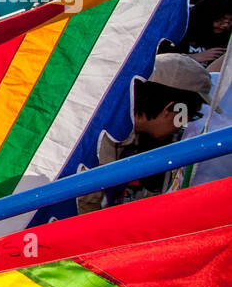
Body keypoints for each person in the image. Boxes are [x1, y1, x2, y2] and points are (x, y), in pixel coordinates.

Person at [77, 53, 212, 214]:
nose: (185, 125)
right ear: (171, 108)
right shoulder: (100, 143)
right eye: (188, 115)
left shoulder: (124, 129)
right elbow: (85, 213)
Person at [160, 0, 231, 66]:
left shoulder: (225, 37)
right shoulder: (178, 29)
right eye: (220, 19)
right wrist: (193, 57)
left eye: (230, 21)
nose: (225, 25)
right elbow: (160, 60)